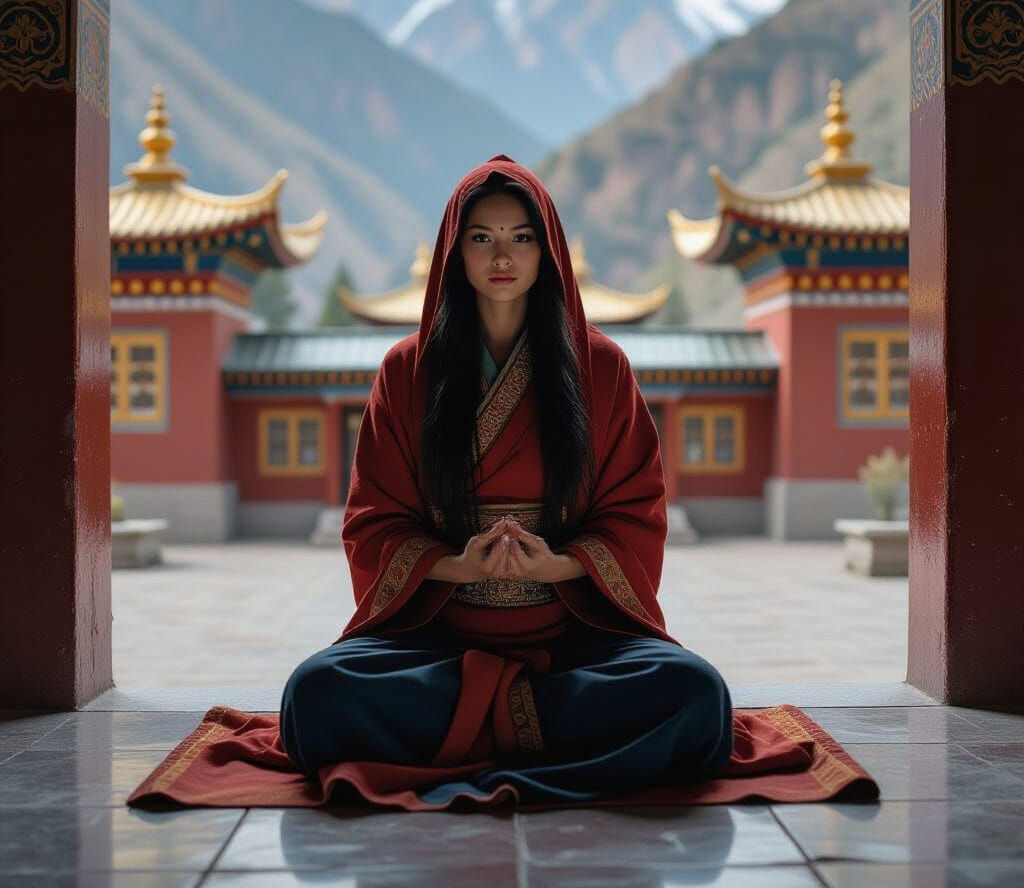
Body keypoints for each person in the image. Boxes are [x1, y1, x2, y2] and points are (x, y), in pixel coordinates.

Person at [278, 154, 733, 806]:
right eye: (482, 238)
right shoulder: (406, 371)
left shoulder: (601, 367)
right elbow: (374, 520)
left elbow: (635, 513)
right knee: (313, 694)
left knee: (697, 695)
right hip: (438, 640)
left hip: (575, 639)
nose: (503, 255)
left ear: (548, 251)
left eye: (522, 238)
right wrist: (457, 568)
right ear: (452, 251)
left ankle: (469, 736)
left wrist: (559, 566)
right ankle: (553, 746)